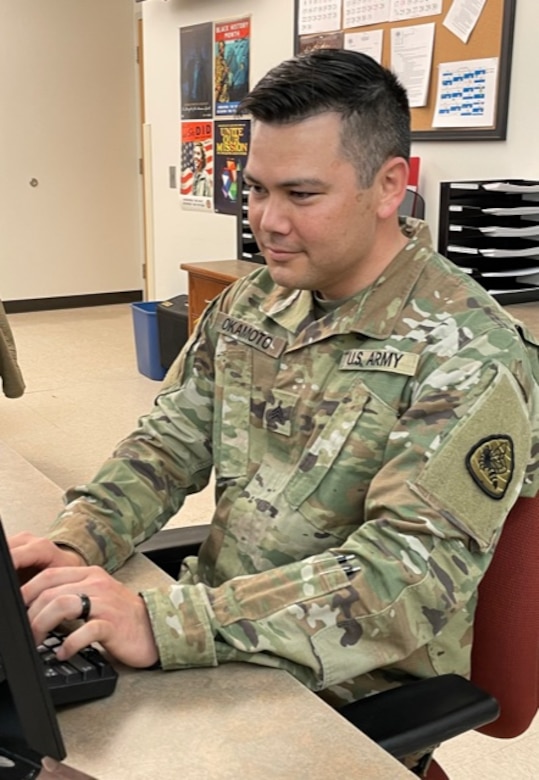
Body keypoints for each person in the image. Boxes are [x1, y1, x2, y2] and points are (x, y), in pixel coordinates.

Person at [9, 49, 539, 775]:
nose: (266, 221)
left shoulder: (469, 354)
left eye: (300, 193)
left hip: (341, 692)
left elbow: (399, 580)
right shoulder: (255, 302)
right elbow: (165, 446)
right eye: (255, 189)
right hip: (216, 643)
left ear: (389, 187)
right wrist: (78, 540)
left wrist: (166, 624)